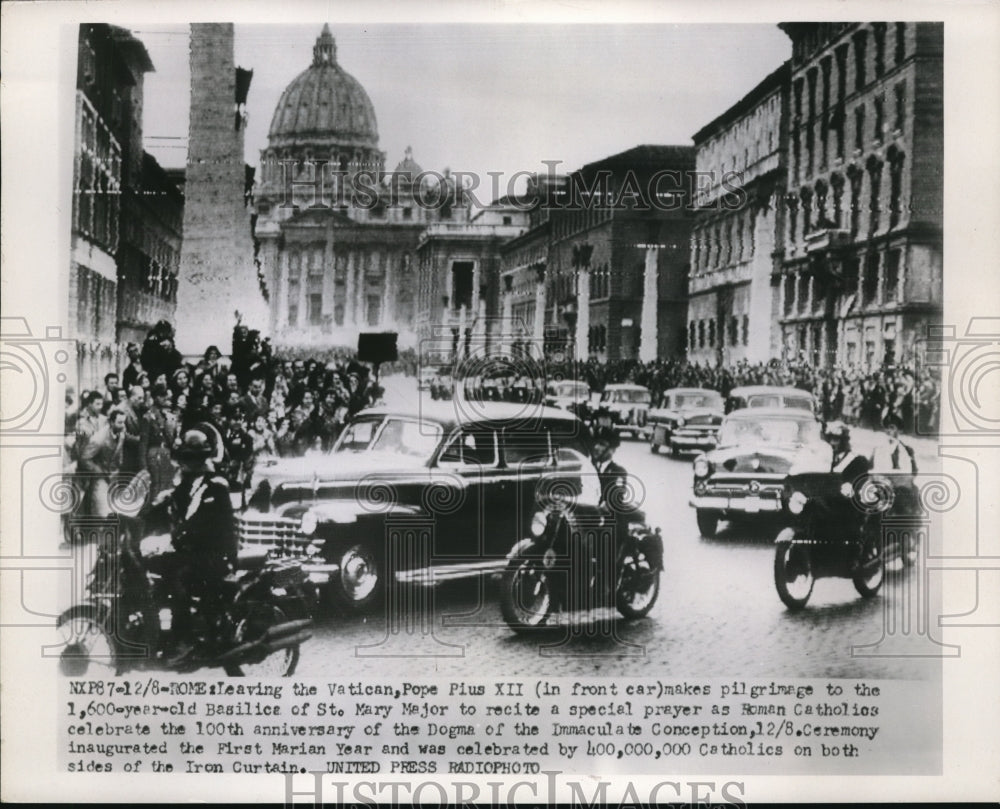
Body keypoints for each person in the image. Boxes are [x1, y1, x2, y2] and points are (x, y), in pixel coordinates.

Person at [152, 427, 237, 663]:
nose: (182, 464)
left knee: (176, 576)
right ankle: (160, 631)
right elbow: (169, 505)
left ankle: (185, 638)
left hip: (215, 554)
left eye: (187, 459)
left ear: (198, 460)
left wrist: (174, 538)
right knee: (155, 567)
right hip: (196, 550)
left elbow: (200, 522)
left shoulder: (215, 485)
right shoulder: (189, 483)